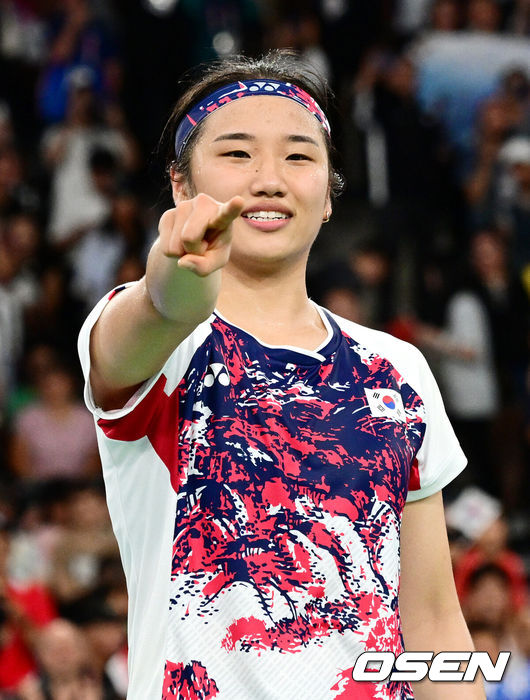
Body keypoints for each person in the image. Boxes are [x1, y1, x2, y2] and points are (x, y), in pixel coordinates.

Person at [78, 51, 484, 699]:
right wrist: (177, 273)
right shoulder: (164, 347)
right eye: (237, 153)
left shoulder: (397, 369)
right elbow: (162, 306)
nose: (269, 178)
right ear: (181, 186)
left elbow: (433, 621)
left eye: (298, 156)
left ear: (328, 197)